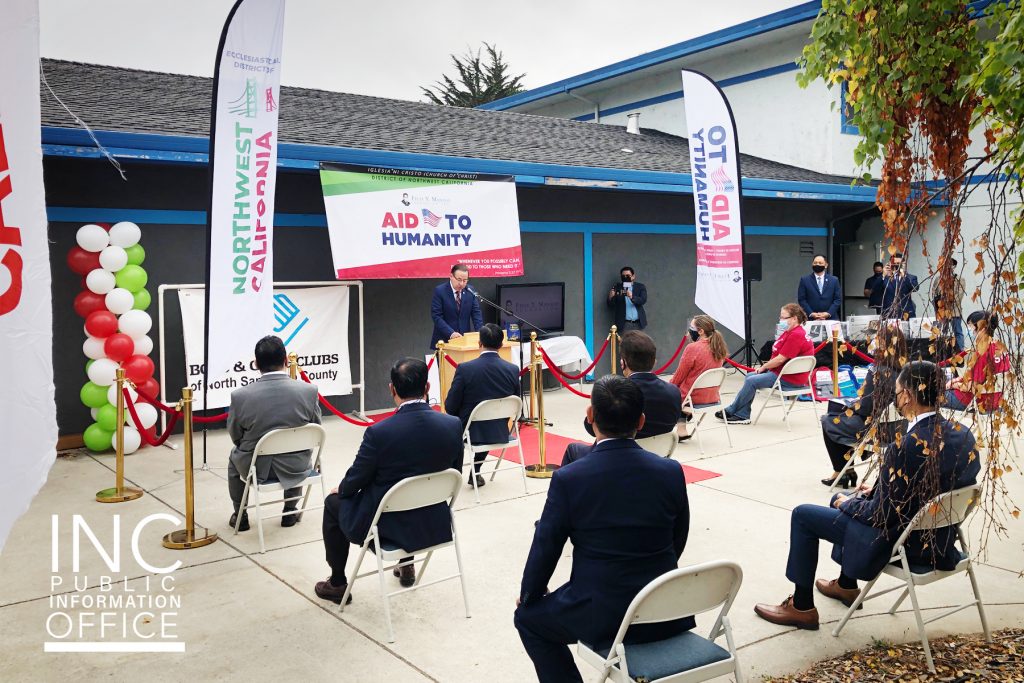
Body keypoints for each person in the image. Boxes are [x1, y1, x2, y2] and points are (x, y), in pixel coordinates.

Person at [753, 361, 979, 630]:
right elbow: (939, 484)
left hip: (903, 540)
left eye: (896, 392)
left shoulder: (905, 445)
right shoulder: (963, 434)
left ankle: (801, 607)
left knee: (805, 514)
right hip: (938, 536)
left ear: (907, 395)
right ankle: (847, 585)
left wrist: (847, 502)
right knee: (850, 499)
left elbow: (879, 515)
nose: (895, 398)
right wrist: (879, 490)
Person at [514, 375, 692, 683]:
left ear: (591, 416)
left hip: (603, 614)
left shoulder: (569, 479)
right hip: (664, 607)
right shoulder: (670, 471)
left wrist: (530, 594)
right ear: (641, 421)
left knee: (528, 620)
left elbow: (547, 545)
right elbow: (679, 538)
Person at [314, 358, 463, 601]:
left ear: (392, 389)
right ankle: (407, 564)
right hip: (434, 521)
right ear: (427, 389)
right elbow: (454, 474)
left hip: (387, 527)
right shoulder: (453, 424)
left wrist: (340, 488)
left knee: (333, 502)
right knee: (411, 489)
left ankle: (338, 583)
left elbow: (356, 480)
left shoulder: (379, 433)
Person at [226, 335, 321, 531]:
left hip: (257, 468)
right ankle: (290, 511)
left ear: (256, 363)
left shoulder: (240, 397)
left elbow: (236, 436)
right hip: (297, 465)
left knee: (234, 458)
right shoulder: (309, 391)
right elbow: (316, 430)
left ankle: (241, 515)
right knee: (299, 447)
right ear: (286, 361)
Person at [562, 331, 681, 464]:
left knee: (573, 450)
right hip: (658, 457)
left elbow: (591, 428)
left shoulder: (614, 394)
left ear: (623, 363)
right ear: (654, 361)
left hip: (614, 457)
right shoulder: (674, 392)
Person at [819, 323, 907, 487]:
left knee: (828, 420)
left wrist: (851, 405)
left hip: (877, 429)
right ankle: (845, 470)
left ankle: (842, 471)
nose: (873, 341)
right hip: (898, 427)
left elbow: (866, 408)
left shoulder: (878, 371)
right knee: (837, 411)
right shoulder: (905, 370)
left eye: (877, 338)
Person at [444, 323, 520, 488]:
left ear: (479, 343)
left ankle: (452, 476)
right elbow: (517, 403)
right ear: (501, 345)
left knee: (453, 422)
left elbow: (450, 406)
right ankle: (476, 471)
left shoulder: (465, 369)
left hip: (469, 430)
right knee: (484, 418)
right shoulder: (513, 370)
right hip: (499, 429)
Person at [715, 303, 814, 425]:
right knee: (750, 377)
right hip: (784, 374)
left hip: (787, 377)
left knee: (752, 381)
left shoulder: (796, 335)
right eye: (780, 317)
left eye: (784, 317)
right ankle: (742, 414)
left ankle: (732, 410)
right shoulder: (791, 332)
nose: (781, 320)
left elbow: (780, 359)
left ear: (794, 318)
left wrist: (764, 367)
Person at [670, 314, 729, 441]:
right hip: (712, 396)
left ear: (701, 331)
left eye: (691, 327)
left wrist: (668, 386)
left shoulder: (693, 348)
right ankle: (681, 430)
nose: (689, 331)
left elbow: (679, 376)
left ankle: (671, 427)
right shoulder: (719, 347)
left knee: (669, 391)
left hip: (692, 397)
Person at [944, 310, 1009, 411]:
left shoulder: (982, 353)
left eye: (971, 327)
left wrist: (953, 384)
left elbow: (971, 388)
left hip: (969, 400)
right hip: (996, 399)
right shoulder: (1001, 347)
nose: (969, 330)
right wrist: (958, 380)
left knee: (929, 395)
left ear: (982, 328)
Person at [430, 264, 483, 349]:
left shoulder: (470, 291)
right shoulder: (440, 291)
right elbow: (436, 316)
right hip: (444, 341)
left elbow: (476, 314)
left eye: (465, 280)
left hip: (464, 342)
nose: (461, 283)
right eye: (459, 279)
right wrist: (451, 333)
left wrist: (481, 333)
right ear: (451, 276)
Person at [872, 252, 919, 320]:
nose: (896, 266)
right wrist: (883, 275)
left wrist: (904, 276)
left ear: (903, 264)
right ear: (890, 263)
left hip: (906, 314)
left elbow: (915, 288)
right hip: (889, 315)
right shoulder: (885, 278)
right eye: (895, 263)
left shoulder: (911, 277)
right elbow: (875, 289)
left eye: (898, 264)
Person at [934, 259, 967, 351]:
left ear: (954, 267)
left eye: (950, 266)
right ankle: (941, 352)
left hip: (954, 311)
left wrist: (947, 301)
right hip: (942, 311)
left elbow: (959, 296)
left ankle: (960, 353)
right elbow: (934, 293)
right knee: (941, 332)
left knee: (958, 332)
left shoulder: (960, 279)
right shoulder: (938, 279)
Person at [798, 254, 842, 320]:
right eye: (815, 263)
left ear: (826, 265)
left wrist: (828, 313)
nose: (817, 264)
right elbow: (802, 299)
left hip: (831, 318)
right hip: (811, 319)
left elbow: (838, 299)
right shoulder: (804, 280)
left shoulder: (834, 280)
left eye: (820, 263)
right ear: (812, 264)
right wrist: (811, 313)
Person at [607, 266, 648, 332]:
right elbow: (611, 305)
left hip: (638, 323)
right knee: (625, 342)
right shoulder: (617, 287)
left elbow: (643, 300)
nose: (625, 277)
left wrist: (632, 297)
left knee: (639, 342)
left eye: (628, 275)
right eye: (623, 276)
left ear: (633, 276)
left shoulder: (640, 287)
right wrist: (610, 297)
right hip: (624, 323)